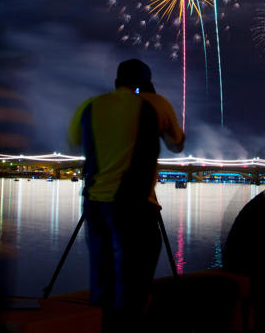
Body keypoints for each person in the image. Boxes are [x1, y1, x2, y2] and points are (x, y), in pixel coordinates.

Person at [68, 59, 184, 333]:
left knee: (102, 279)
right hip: (135, 204)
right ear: (145, 82)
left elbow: (74, 140)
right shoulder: (155, 104)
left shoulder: (90, 105)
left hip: (94, 204)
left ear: (117, 80)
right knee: (134, 284)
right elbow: (177, 144)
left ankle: (102, 326)